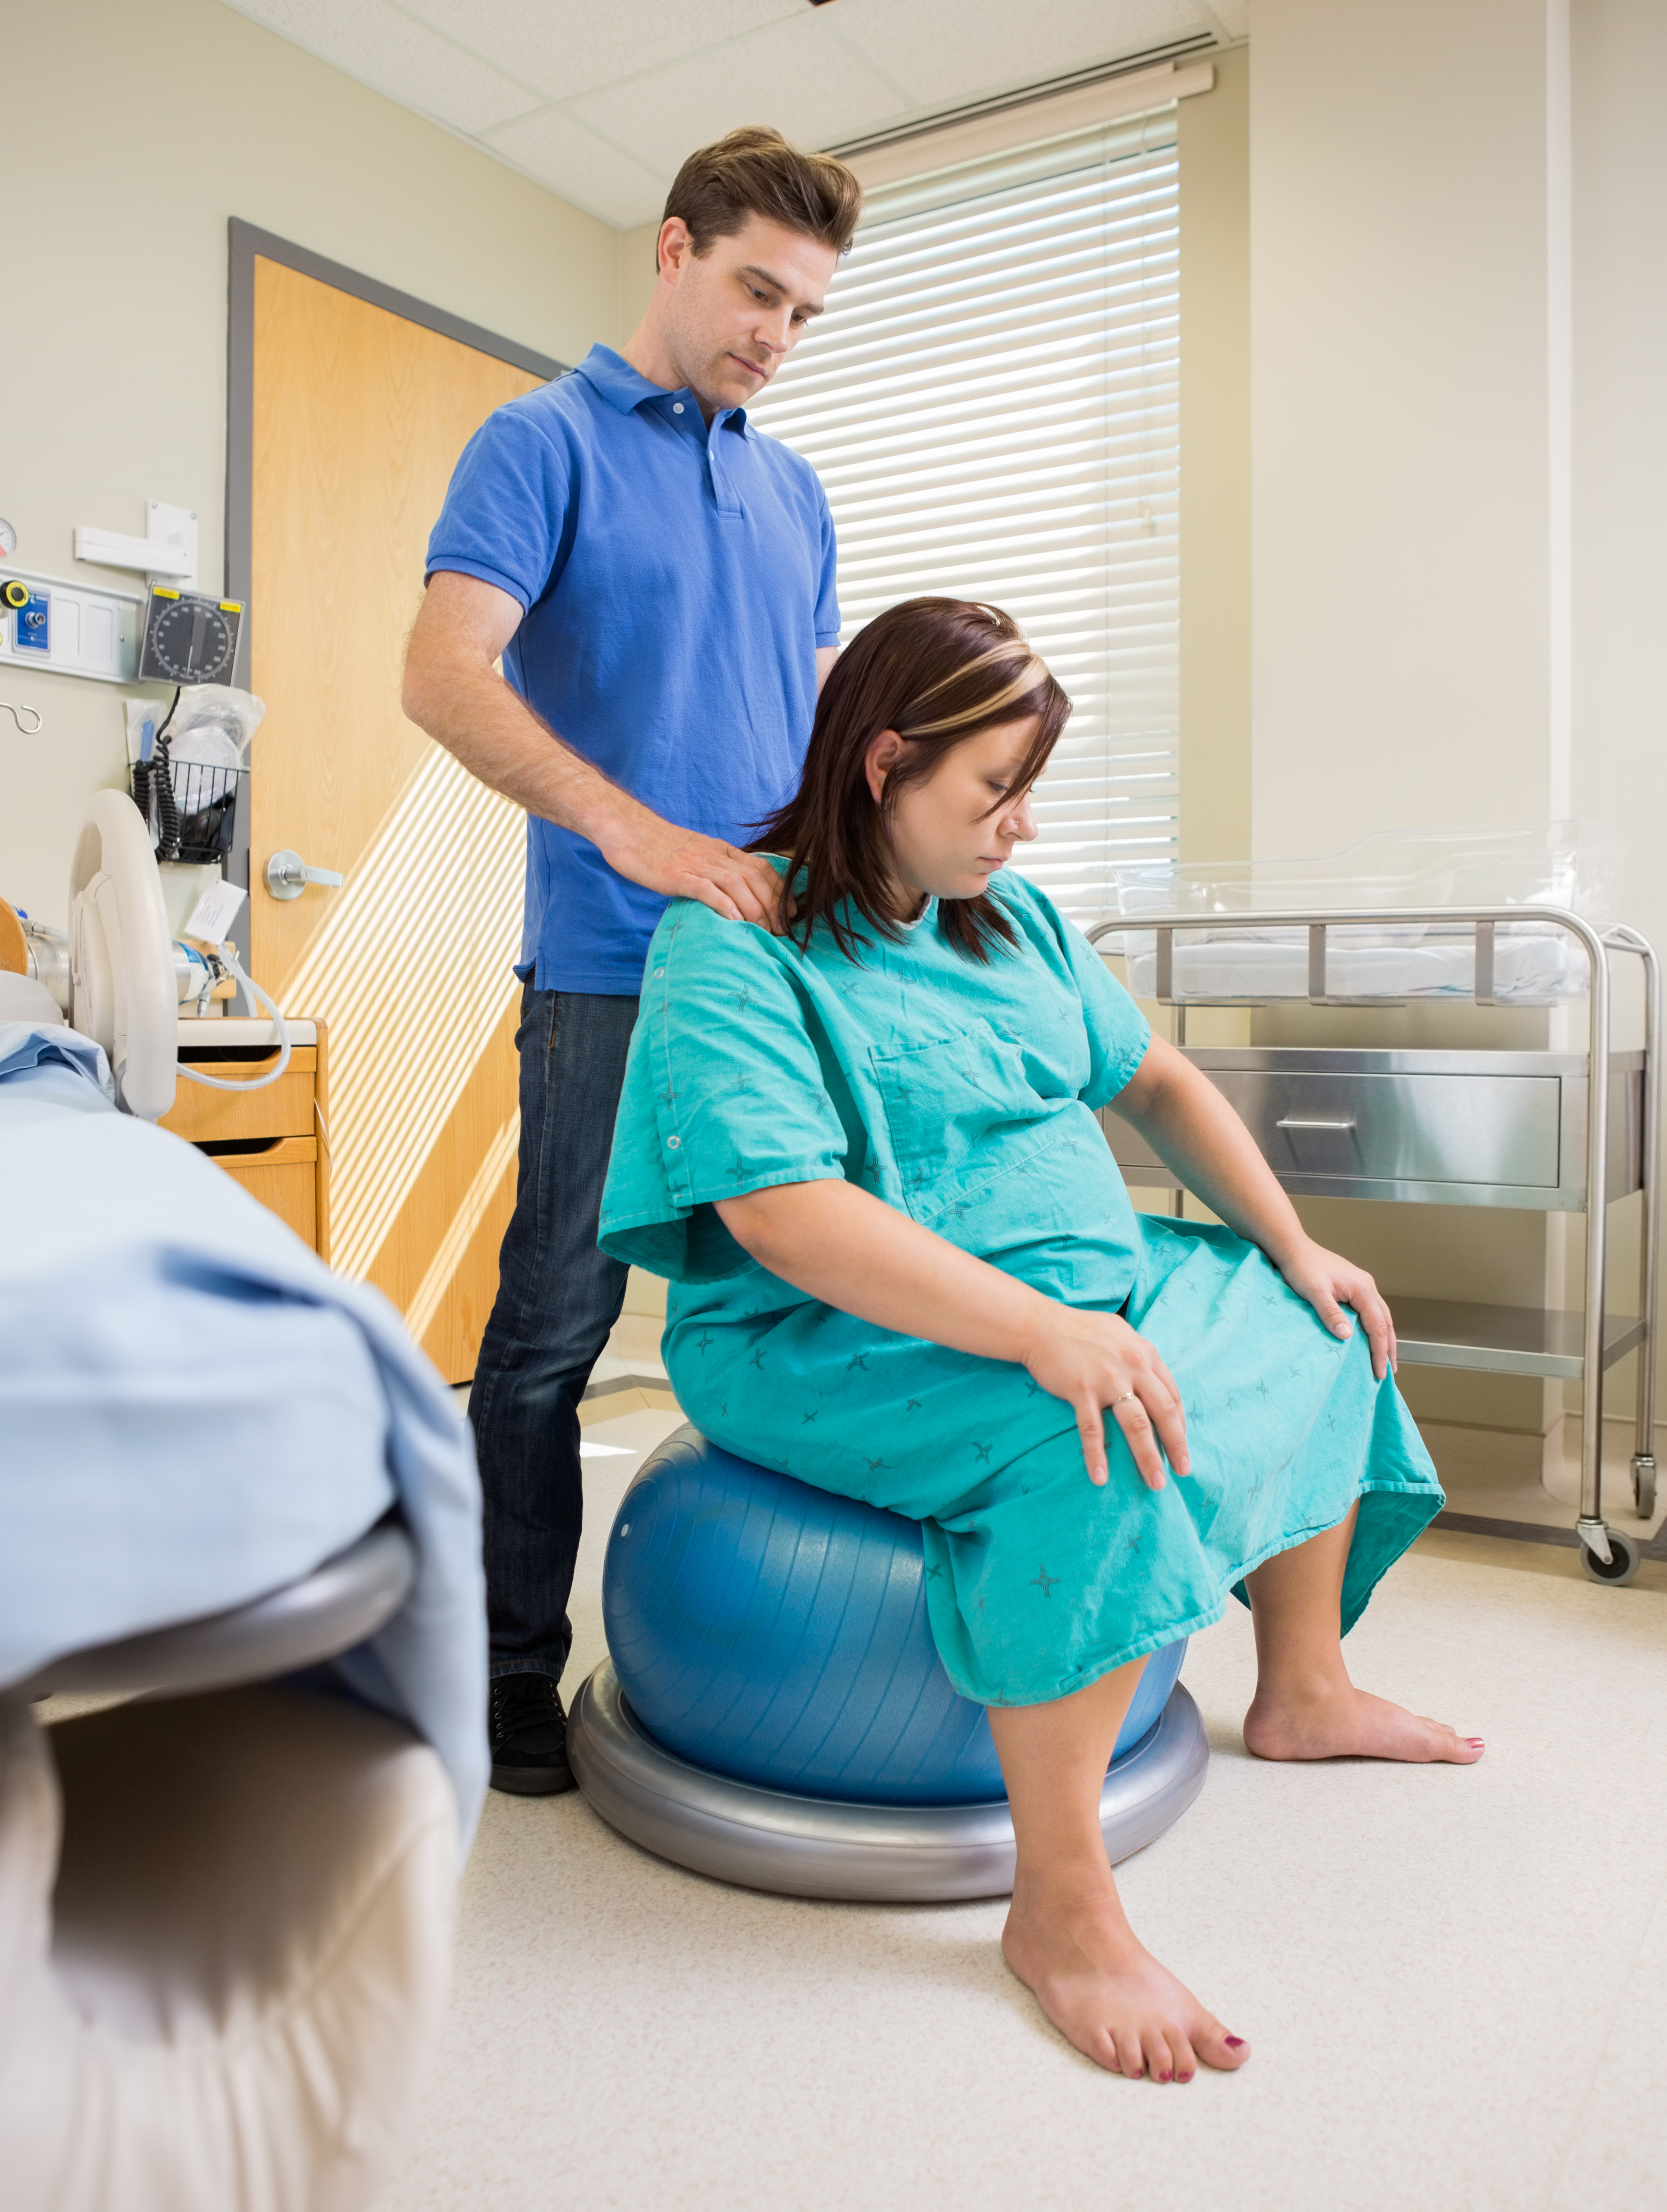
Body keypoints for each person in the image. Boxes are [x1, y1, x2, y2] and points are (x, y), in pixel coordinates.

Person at [597, 596, 1483, 2080]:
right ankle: (1062, 1911)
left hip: (1080, 1285)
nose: (1020, 828)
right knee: (1100, 1434)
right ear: (884, 764)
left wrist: (1294, 1241)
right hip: (828, 1334)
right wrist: (1042, 1337)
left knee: (1320, 1325)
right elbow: (785, 1219)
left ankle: (1304, 1685)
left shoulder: (1012, 924)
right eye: (994, 791)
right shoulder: (736, 943)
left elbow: (1165, 1088)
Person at [402, 129, 861, 1794]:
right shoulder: (540, 443)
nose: (775, 336)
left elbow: (817, 718)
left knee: (808, 1281)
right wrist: (636, 833)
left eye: (806, 313)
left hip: (780, 956)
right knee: (553, 1326)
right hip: (610, 960)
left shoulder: (793, 484)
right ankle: (512, 1664)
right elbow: (446, 676)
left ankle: (806, 1638)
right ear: (674, 252)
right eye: (758, 291)